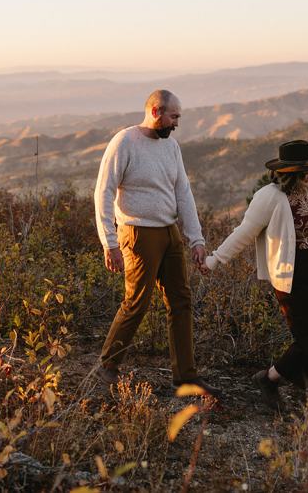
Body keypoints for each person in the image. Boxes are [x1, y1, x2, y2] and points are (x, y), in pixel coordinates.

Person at [204, 140, 308, 418]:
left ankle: (300, 392)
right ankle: (287, 389)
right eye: (304, 172)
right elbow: (244, 232)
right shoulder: (269, 197)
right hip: (292, 276)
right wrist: (215, 259)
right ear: (289, 173)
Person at [93, 89, 218, 396]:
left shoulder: (171, 146)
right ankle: (107, 367)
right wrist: (109, 242)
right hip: (137, 233)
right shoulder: (124, 142)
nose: (176, 123)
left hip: (169, 232)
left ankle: (185, 377)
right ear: (156, 111)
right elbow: (103, 192)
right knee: (137, 301)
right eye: (173, 116)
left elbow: (183, 192)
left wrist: (196, 239)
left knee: (181, 301)